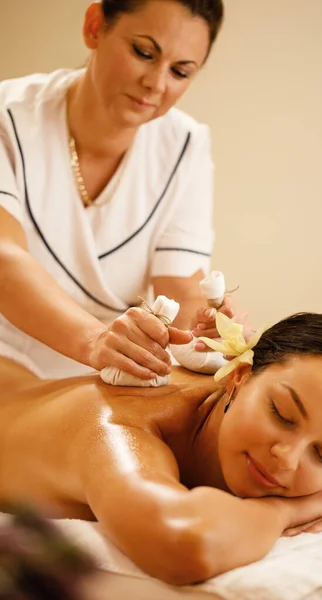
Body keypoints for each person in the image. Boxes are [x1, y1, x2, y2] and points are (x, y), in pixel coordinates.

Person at [0, 313, 322, 585]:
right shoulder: (118, 427)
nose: (288, 457)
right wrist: (287, 510)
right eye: (281, 413)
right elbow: (184, 542)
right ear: (240, 378)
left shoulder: (305, 422)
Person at [0, 0, 235, 382]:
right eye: (144, 53)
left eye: (180, 71)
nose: (156, 84)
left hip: (111, 369)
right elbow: (4, 260)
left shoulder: (185, 144)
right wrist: (94, 340)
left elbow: (180, 284)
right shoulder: (8, 118)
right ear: (95, 26)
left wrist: (208, 327)